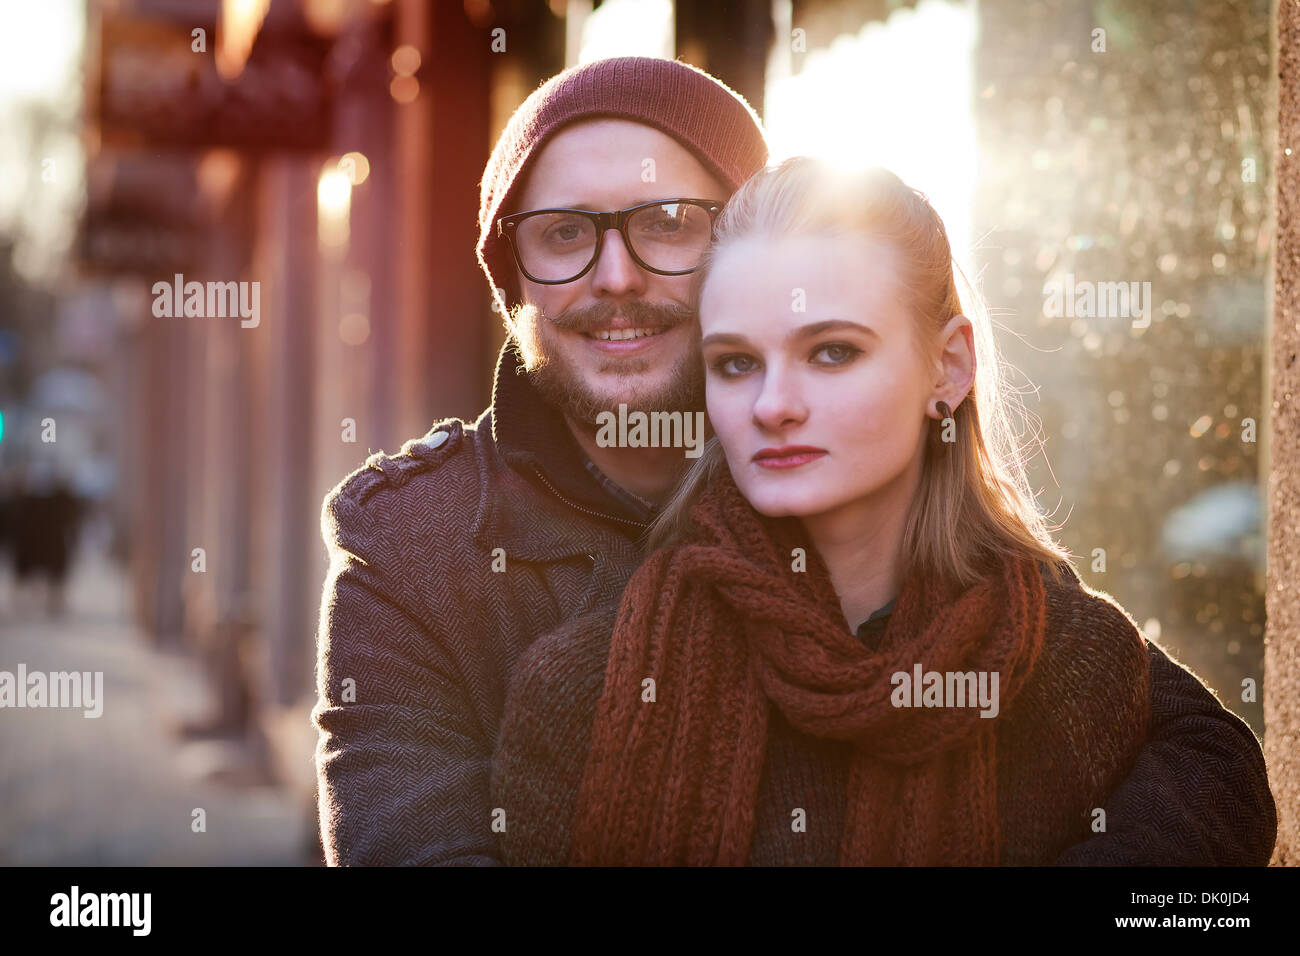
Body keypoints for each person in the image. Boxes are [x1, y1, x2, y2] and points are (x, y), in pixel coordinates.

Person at [311, 56, 1277, 866]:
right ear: (512, 278)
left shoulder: (861, 490)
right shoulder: (413, 543)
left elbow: (1191, 752)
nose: (615, 276)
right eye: (564, 233)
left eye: (668, 223)